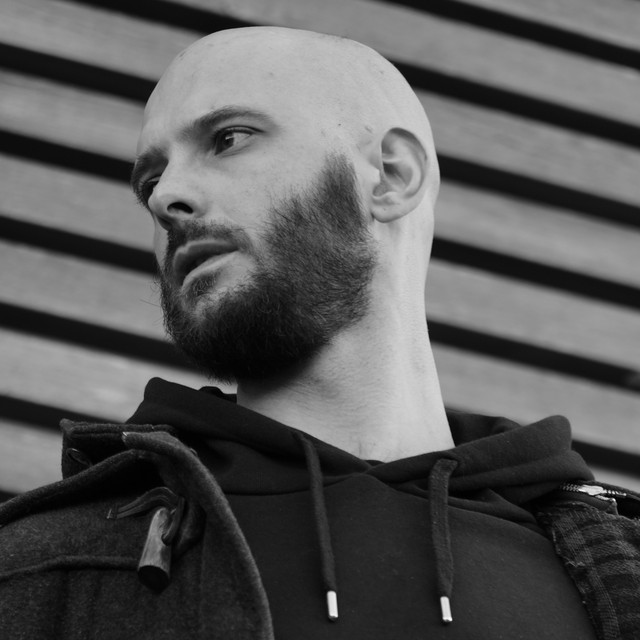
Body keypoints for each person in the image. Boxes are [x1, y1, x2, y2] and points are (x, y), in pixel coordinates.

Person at [0, 26, 638, 640]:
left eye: (228, 139)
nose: (167, 197)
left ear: (391, 175)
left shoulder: (618, 571)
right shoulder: (40, 571)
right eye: (149, 182)